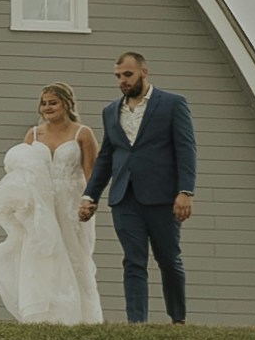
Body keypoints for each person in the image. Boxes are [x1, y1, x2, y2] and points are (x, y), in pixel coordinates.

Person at [77, 49, 198, 323]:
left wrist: (185, 191)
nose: (122, 80)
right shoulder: (110, 111)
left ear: (144, 71)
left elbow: (186, 149)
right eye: (118, 76)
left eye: (128, 74)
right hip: (124, 199)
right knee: (133, 261)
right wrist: (90, 195)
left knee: (168, 259)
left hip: (163, 198)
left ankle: (177, 319)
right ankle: (137, 323)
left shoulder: (172, 104)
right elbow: (107, 156)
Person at [0, 84, 106, 324]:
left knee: (75, 255)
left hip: (71, 202)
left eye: (53, 102)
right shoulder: (33, 135)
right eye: (44, 103)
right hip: (40, 205)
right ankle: (44, 315)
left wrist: (89, 201)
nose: (47, 107)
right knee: (40, 254)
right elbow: (23, 171)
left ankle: (80, 316)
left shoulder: (82, 133)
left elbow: (92, 173)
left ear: (67, 104)